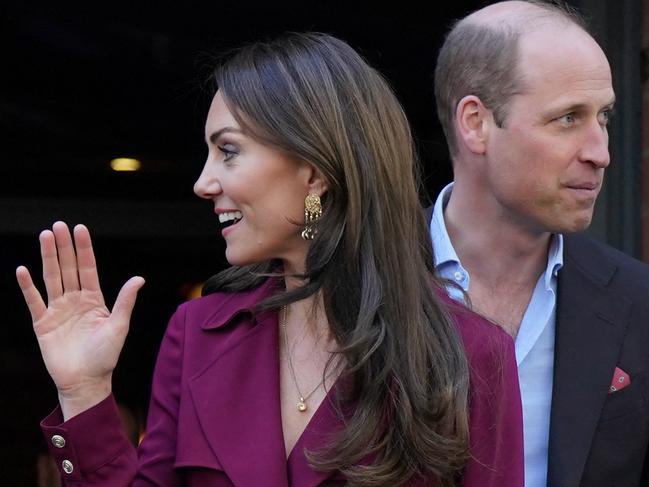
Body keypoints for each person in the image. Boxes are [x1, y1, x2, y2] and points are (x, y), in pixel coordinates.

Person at [17, 32, 523, 486]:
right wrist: (84, 392)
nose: (203, 183)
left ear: (314, 171)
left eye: (229, 151)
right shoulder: (195, 335)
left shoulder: (472, 354)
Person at [430, 1, 649, 486]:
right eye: (568, 118)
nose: (601, 153)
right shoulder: (360, 281)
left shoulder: (639, 303)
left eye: (604, 117)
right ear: (475, 123)